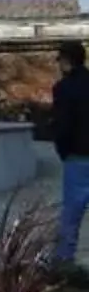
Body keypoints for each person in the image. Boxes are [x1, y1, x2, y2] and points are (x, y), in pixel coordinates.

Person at [54, 39, 89, 270]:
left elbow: (63, 125)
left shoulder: (64, 88)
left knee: (72, 214)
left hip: (77, 155)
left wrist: (63, 150)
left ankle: (64, 263)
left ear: (66, 61)